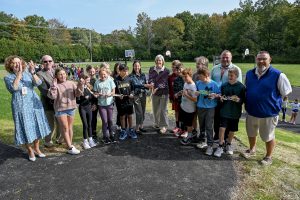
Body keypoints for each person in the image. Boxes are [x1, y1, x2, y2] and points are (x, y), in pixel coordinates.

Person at [243, 51, 292, 165]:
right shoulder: (249, 74)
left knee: (268, 136)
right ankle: (252, 149)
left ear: (270, 60)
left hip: (268, 113)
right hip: (251, 111)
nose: (261, 61)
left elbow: (286, 92)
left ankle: (268, 156)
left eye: (264, 59)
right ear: (256, 59)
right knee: (251, 133)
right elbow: (246, 89)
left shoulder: (278, 75)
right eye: (259, 59)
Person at [4, 55, 51, 161]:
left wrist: (33, 72)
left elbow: (38, 83)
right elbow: (14, 88)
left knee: (37, 125)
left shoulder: (28, 73)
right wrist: (19, 74)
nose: (17, 64)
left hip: (33, 102)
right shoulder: (8, 77)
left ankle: (37, 149)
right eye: (14, 63)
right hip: (20, 105)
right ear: (10, 65)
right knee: (25, 126)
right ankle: (30, 150)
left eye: (19, 62)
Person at [48, 68, 84, 155]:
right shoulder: (54, 85)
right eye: (60, 74)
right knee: (65, 127)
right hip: (60, 109)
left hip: (71, 108)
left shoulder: (71, 83)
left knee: (70, 127)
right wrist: (53, 86)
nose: (62, 76)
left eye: (64, 74)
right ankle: (70, 147)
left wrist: (80, 85)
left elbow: (78, 94)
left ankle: (69, 145)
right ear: (56, 76)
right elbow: (52, 97)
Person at [210, 50, 242, 146]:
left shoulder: (236, 69)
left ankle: (226, 139)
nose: (225, 59)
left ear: (231, 58)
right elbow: (210, 82)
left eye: (227, 57)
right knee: (216, 118)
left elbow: (238, 85)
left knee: (227, 118)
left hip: (228, 99)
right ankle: (217, 136)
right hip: (216, 98)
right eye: (223, 57)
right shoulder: (215, 68)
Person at [213, 67, 245, 157]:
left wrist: (238, 99)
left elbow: (242, 100)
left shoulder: (241, 87)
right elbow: (221, 97)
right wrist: (221, 99)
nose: (230, 77)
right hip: (224, 111)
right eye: (229, 75)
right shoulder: (224, 85)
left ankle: (229, 144)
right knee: (222, 128)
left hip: (235, 112)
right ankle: (220, 145)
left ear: (236, 76)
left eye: (232, 75)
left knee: (232, 130)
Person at [37, 55, 61, 147]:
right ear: (42, 63)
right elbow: (43, 90)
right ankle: (48, 141)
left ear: (53, 62)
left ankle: (59, 139)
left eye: (50, 61)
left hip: (59, 102)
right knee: (50, 123)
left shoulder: (56, 72)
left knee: (60, 122)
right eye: (45, 61)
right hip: (48, 103)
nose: (48, 63)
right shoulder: (39, 74)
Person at [195, 68, 220, 156]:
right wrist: (196, 93)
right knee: (201, 125)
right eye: (198, 76)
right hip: (200, 107)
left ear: (206, 75)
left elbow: (219, 94)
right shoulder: (198, 83)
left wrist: (215, 95)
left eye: (201, 76)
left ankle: (210, 145)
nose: (199, 77)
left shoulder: (214, 84)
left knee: (209, 126)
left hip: (210, 108)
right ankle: (203, 141)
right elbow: (195, 92)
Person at [114, 64, 137, 140]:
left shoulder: (130, 79)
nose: (126, 72)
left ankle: (131, 130)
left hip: (129, 101)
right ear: (120, 71)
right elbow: (113, 92)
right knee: (122, 116)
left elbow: (133, 89)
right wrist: (118, 95)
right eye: (124, 70)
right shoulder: (116, 80)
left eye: (127, 70)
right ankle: (123, 131)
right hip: (120, 102)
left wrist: (132, 94)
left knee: (130, 116)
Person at [94, 68, 116, 144]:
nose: (103, 76)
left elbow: (113, 91)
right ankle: (105, 137)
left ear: (107, 74)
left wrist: (110, 94)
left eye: (104, 74)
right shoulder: (97, 82)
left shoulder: (110, 80)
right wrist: (99, 94)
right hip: (101, 105)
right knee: (105, 121)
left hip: (109, 103)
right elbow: (95, 93)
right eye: (101, 74)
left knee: (110, 120)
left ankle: (111, 135)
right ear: (99, 75)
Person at [148, 55, 170, 134]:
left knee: (163, 110)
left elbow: (165, 82)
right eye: (157, 60)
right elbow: (150, 78)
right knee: (155, 109)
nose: (158, 62)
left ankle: (163, 126)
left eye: (160, 60)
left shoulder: (166, 71)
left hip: (163, 92)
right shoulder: (151, 69)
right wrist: (151, 84)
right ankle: (157, 123)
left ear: (163, 61)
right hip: (154, 93)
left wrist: (157, 87)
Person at [76, 74, 97, 149]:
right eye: (87, 80)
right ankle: (85, 141)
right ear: (83, 80)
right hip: (82, 108)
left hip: (89, 107)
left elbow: (93, 97)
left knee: (89, 124)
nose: (88, 81)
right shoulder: (79, 88)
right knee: (85, 124)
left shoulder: (89, 87)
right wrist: (83, 97)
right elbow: (77, 101)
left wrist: (94, 102)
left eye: (89, 80)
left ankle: (90, 140)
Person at [177, 68, 197, 144]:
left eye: (186, 77)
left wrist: (186, 95)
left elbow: (195, 99)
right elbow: (184, 91)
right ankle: (188, 134)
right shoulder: (186, 83)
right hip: (183, 107)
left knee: (189, 124)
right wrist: (179, 93)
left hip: (190, 109)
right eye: (183, 77)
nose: (184, 78)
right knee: (185, 122)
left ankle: (189, 137)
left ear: (190, 76)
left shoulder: (193, 86)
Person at [130, 60, 151, 134]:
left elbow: (146, 84)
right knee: (139, 112)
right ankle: (137, 128)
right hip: (136, 96)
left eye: (138, 65)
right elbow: (134, 85)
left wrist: (149, 86)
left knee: (143, 111)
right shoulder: (131, 76)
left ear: (140, 66)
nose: (137, 67)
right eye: (135, 66)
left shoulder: (143, 75)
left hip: (143, 95)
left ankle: (141, 126)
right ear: (133, 66)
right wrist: (144, 85)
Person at [86, 65, 99, 141]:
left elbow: (96, 93)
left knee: (94, 118)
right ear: (87, 72)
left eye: (93, 71)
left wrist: (94, 104)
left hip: (94, 103)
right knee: (88, 119)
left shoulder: (96, 80)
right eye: (90, 71)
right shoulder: (86, 80)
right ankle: (89, 133)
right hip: (87, 103)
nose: (92, 73)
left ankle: (94, 132)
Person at [168, 60, 182, 132]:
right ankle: (177, 126)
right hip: (174, 98)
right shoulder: (170, 77)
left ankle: (182, 128)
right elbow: (170, 88)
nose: (173, 69)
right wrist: (171, 96)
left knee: (182, 112)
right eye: (172, 67)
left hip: (182, 99)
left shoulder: (182, 76)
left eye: (175, 67)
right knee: (176, 112)